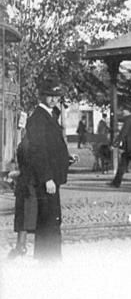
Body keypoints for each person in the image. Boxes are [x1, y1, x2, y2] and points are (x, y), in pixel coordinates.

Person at [23, 78, 72, 259]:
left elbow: (51, 146)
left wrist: (66, 158)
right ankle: (48, 259)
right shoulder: (38, 118)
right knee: (49, 219)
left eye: (56, 96)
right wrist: (47, 177)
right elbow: (38, 150)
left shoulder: (50, 115)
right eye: (49, 95)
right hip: (47, 178)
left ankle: (48, 257)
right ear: (41, 96)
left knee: (51, 218)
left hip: (52, 175)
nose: (53, 99)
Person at [9, 112, 34, 258]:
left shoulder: (24, 143)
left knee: (23, 218)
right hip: (29, 185)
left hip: (24, 184)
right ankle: (21, 247)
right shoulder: (30, 144)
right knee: (27, 217)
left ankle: (21, 246)